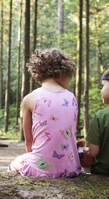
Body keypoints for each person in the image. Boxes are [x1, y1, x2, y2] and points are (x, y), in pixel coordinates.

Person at [8, 48, 82, 178]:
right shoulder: (71, 98)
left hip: (41, 170)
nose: (69, 81)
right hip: (70, 168)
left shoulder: (30, 99)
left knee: (14, 164)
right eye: (69, 77)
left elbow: (29, 141)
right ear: (60, 74)